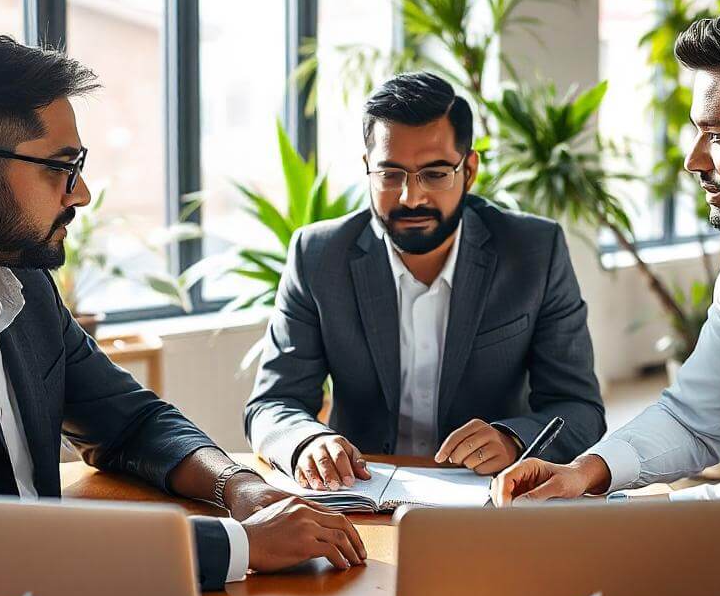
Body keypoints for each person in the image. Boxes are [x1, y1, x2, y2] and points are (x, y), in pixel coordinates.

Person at [0, 32, 365, 589]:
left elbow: (130, 422)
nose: (81, 193)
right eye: (60, 168)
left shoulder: (24, 286)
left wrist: (238, 488)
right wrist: (243, 543)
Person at [492, 0, 720, 556]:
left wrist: (627, 518)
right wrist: (588, 473)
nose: (693, 160)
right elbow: (695, 418)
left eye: (719, 136)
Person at [245, 71, 605, 491]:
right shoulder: (319, 256)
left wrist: (513, 439)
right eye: (390, 174)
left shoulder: (534, 251)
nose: (410, 197)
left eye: (435, 174)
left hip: (490, 501)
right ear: (367, 168)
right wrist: (308, 441)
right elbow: (272, 403)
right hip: (358, 498)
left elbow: (579, 409)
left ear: (468, 170)